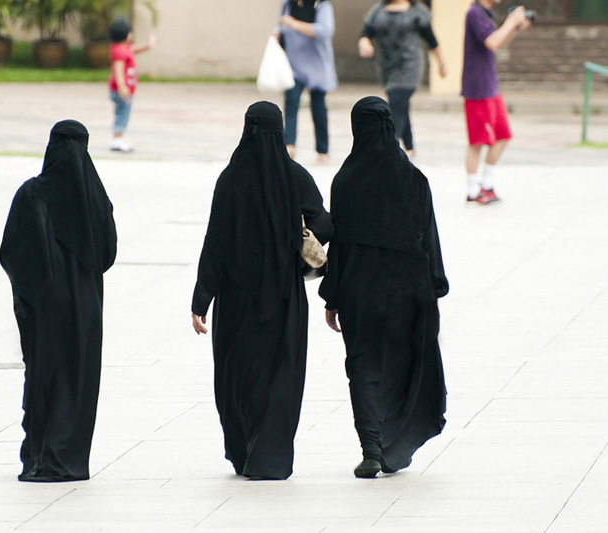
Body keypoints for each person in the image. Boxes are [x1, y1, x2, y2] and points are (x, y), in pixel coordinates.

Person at [191, 101, 333, 480]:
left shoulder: (231, 178)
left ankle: (242, 450)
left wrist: (200, 300)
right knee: (280, 374)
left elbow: (215, 243)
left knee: (237, 375)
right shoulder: (295, 176)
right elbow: (326, 225)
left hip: (235, 300)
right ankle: (270, 456)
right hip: (283, 297)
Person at [318, 97, 448, 478]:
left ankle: (371, 448)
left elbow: (340, 246)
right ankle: (396, 439)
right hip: (409, 290)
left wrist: (333, 296)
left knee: (362, 366)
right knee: (402, 363)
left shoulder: (345, 181)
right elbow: (430, 240)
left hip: (360, 292)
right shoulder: (414, 179)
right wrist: (435, 288)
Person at [0, 120, 118, 482]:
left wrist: (33, 288)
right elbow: (108, 254)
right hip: (84, 308)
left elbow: (9, 253)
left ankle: (38, 455)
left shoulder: (30, 194)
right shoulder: (96, 199)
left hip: (41, 308)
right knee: (77, 378)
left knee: (43, 377)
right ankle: (68, 458)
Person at [358, 0, 447, 159]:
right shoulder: (378, 10)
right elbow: (365, 34)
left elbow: (432, 41)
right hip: (387, 67)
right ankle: (409, 147)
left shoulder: (417, 11)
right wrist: (364, 44)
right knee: (401, 106)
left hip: (409, 66)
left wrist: (442, 63)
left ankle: (389, 147)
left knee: (396, 103)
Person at [462, 0, 531, 204]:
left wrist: (515, 28)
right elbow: (492, 41)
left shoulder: (485, 13)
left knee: (502, 135)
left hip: (490, 85)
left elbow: (498, 42)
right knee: (477, 141)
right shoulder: (474, 13)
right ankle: (473, 190)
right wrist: (511, 21)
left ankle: (487, 183)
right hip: (478, 88)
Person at [276, 0, 338, 163]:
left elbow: (325, 30)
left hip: (317, 65)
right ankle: (289, 145)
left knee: (318, 107)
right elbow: (281, 24)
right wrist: (276, 33)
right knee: (291, 102)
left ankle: (322, 150)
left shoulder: (321, 5)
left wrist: (295, 24)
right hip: (294, 64)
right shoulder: (288, 4)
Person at [108, 19, 154, 153]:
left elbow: (133, 50)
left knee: (122, 112)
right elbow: (118, 69)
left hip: (125, 90)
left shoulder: (123, 48)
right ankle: (117, 140)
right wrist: (122, 86)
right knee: (123, 114)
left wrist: (147, 46)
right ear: (126, 35)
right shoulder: (119, 51)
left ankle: (118, 138)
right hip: (121, 91)